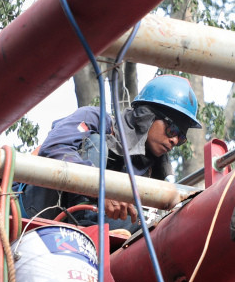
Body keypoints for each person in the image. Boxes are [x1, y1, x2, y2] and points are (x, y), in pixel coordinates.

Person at [19, 75, 203, 228]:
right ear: (148, 116)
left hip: (100, 230)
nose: (174, 140)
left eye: (181, 137)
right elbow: (54, 148)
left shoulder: (154, 170)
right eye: (172, 130)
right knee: (96, 141)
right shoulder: (95, 119)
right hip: (38, 207)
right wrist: (102, 190)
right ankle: (86, 217)